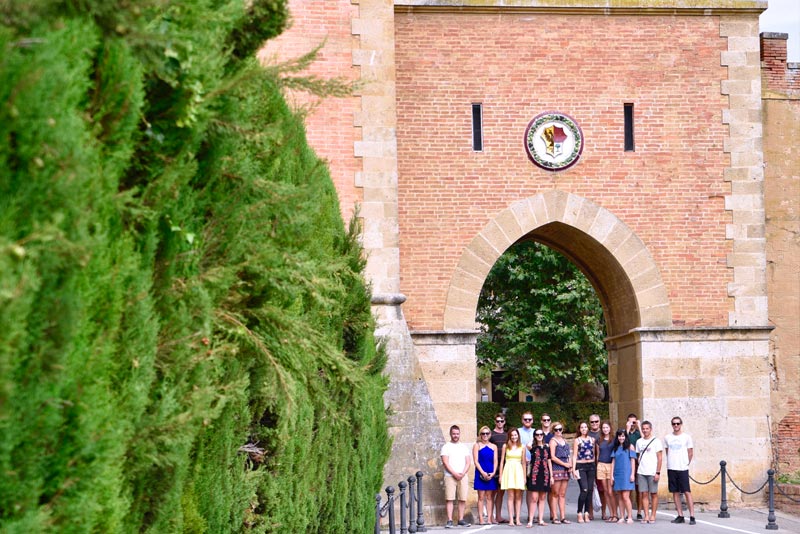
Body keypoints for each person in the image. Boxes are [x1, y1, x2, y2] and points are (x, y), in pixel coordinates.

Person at [664, 416, 696, 525]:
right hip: (672, 468)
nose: (676, 425)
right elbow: (667, 451)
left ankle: (692, 516)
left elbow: (690, 452)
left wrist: (686, 463)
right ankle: (680, 515)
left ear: (681, 424)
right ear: (672, 425)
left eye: (678, 423)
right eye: (674, 423)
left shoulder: (686, 437)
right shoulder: (667, 437)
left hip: (682, 468)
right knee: (675, 492)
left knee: (687, 491)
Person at [441, 425, 472, 528]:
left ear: (459, 434)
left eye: (457, 434)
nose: (456, 435)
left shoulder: (464, 447)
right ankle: (449, 520)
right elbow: (445, 462)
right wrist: (454, 473)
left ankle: (461, 519)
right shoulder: (446, 447)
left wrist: (462, 473)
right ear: (450, 434)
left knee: (462, 498)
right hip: (450, 476)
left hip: (463, 475)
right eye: (454, 434)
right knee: (449, 498)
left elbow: (468, 462)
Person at [635, 420, 663, 524]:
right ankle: (646, 515)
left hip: (652, 471)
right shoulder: (639, 442)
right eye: (643, 429)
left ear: (650, 429)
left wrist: (658, 472)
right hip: (642, 472)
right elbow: (638, 456)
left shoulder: (656, 441)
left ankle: (653, 515)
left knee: (654, 494)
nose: (645, 430)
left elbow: (660, 458)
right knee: (644, 494)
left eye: (647, 428)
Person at [500, 428, 527, 527]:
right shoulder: (505, 446)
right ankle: (511, 519)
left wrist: (524, 477)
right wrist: (501, 475)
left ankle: (518, 519)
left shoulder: (522, 447)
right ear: (509, 436)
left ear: (518, 436)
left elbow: (523, 463)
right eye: (512, 435)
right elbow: (502, 462)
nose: (514, 437)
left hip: (518, 470)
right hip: (508, 470)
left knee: (518, 496)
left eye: (515, 435)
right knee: (510, 496)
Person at [526, 429, 553, 527]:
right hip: (535, 474)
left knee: (542, 497)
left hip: (545, 474)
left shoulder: (547, 447)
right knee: (534, 498)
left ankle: (541, 519)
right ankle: (530, 520)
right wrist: (534, 439)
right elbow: (527, 445)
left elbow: (549, 461)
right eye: (537, 434)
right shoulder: (533, 447)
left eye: (541, 434)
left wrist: (551, 476)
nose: (539, 436)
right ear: (534, 436)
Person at [572, 421, 597, 523]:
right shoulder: (577, 440)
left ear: (588, 428)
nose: (584, 429)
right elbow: (574, 455)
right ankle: (579, 512)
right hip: (580, 466)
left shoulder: (592, 440)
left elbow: (594, 454)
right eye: (582, 427)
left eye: (585, 427)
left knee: (590, 490)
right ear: (579, 429)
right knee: (584, 489)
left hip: (591, 466)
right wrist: (573, 469)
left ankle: (586, 512)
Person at [473, 426, 498, 525]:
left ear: (490, 434)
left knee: (489, 497)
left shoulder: (494, 446)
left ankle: (489, 518)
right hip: (480, 472)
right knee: (481, 497)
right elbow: (476, 461)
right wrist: (482, 472)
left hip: (490, 472)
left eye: (487, 433)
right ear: (480, 435)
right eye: (483, 433)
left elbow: (495, 461)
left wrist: (493, 472)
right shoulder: (477, 445)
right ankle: (481, 519)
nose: (485, 435)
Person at [548, 421, 572, 524]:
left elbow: (569, 455)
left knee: (562, 494)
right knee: (555, 493)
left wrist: (570, 465)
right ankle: (555, 516)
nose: (558, 431)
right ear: (553, 431)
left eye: (560, 429)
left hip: (565, 468)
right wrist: (564, 464)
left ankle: (563, 516)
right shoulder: (553, 441)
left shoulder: (565, 440)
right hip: (557, 468)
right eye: (556, 429)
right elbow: (552, 457)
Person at [610, 429, 636, 524]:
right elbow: (613, 462)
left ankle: (630, 516)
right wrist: (611, 475)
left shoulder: (630, 447)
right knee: (620, 496)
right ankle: (621, 516)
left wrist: (632, 474)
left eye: (623, 436)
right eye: (619, 436)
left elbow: (633, 461)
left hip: (626, 474)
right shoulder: (616, 448)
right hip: (618, 474)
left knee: (625, 496)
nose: (621, 438)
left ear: (626, 437)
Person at [489, 413, 508, 524]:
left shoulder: (507, 435)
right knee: (492, 493)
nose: (500, 423)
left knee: (501, 493)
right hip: (493, 467)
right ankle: (491, 516)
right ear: (495, 422)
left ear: (504, 422)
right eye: (498, 421)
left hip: (504, 467)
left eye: (501, 421)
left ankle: (498, 516)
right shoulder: (490, 435)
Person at [597, 421, 618, 522]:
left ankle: (615, 514)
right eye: (604, 428)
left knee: (610, 491)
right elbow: (597, 454)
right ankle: (611, 514)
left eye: (607, 427)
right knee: (605, 491)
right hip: (601, 465)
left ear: (610, 428)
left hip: (610, 465)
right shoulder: (599, 440)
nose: (605, 429)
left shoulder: (614, 439)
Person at [518, 411, 536, 523]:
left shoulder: (536, 432)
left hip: (534, 464)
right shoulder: (518, 432)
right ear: (522, 420)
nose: (527, 421)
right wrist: (523, 458)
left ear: (532, 420)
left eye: (529, 419)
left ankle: (531, 516)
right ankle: (517, 516)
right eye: (525, 419)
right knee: (519, 491)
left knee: (530, 490)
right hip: (521, 463)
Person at [625, 413, 643, 520]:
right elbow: (623, 442)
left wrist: (639, 427)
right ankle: (629, 512)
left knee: (639, 488)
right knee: (629, 488)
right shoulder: (625, 432)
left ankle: (639, 511)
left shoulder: (638, 433)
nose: (632, 424)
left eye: (634, 422)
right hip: (627, 461)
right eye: (630, 422)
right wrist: (627, 429)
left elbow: (644, 440)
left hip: (638, 461)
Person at [586, 414, 602, 520]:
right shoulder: (586, 434)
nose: (594, 423)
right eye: (592, 422)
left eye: (596, 421)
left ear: (599, 422)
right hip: (589, 465)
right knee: (590, 489)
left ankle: (604, 513)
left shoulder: (604, 432)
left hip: (602, 464)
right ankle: (590, 512)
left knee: (603, 490)